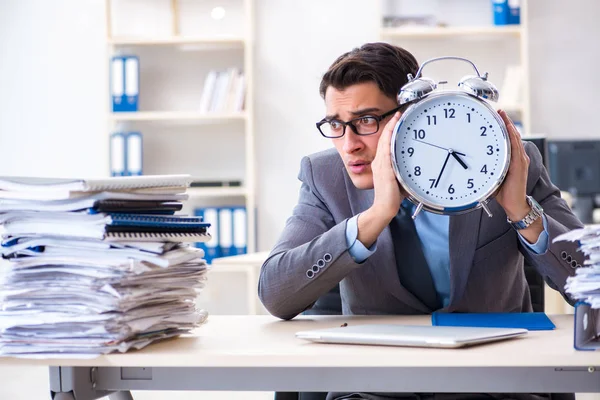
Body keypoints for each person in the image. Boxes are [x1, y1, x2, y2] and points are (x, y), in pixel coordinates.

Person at [258, 42, 584, 400]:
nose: (349, 144)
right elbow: (276, 294)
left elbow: (592, 288)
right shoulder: (325, 177)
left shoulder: (507, 164)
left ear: (413, 116)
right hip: (374, 389)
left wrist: (522, 212)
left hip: (492, 385)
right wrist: (376, 214)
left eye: (366, 121)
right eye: (336, 124)